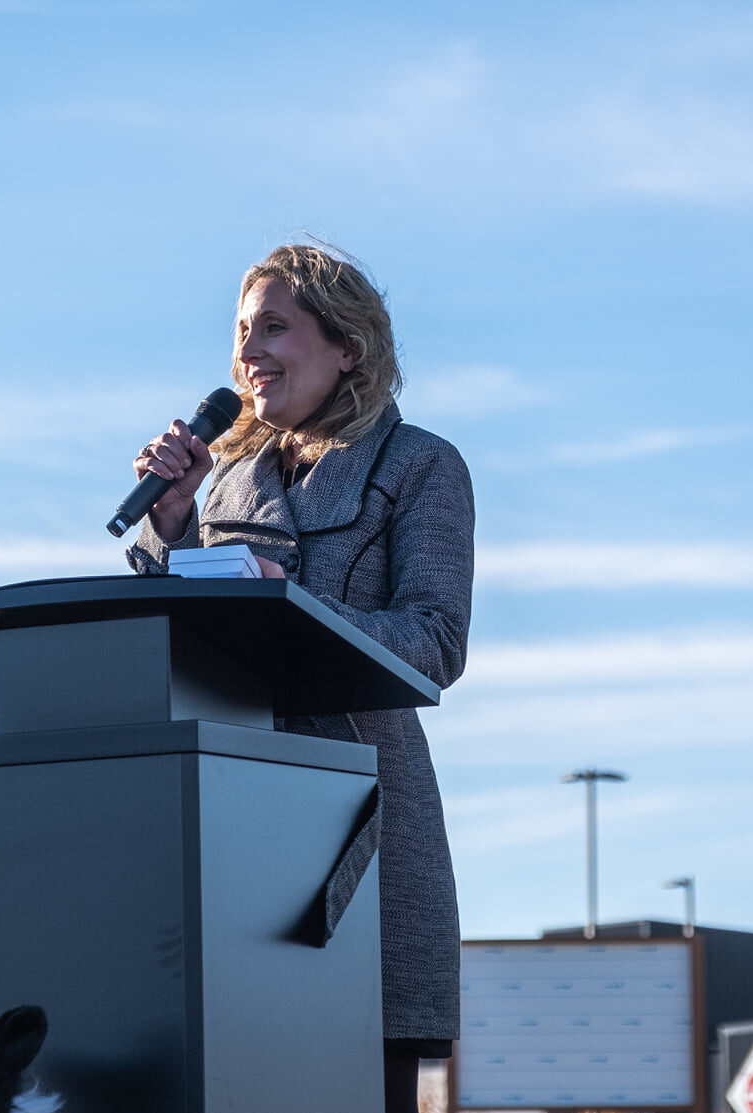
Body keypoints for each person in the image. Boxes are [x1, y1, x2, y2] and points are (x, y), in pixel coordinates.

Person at [125, 243, 472, 1113]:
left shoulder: (419, 466)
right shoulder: (225, 483)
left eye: (274, 327)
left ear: (346, 344)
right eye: (242, 331)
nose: (249, 353)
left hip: (360, 826)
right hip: (231, 822)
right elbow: (186, 644)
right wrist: (169, 532)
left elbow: (434, 641)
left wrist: (298, 608)